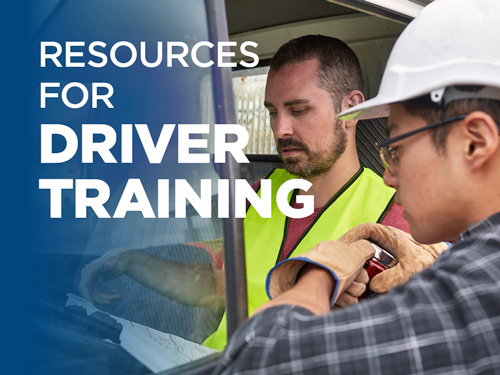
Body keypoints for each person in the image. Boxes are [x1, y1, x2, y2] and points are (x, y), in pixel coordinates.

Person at [79, 35, 428, 351]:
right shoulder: (260, 193)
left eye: (298, 110)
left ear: (350, 109)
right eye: (273, 112)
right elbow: (220, 285)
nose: (280, 129)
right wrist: (129, 260)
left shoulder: (397, 214)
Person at [211, 0, 500, 373]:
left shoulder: (476, 291)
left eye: (397, 148)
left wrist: (321, 272)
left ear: (474, 143)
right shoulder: (472, 265)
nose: (389, 177)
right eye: (272, 112)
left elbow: (258, 358)